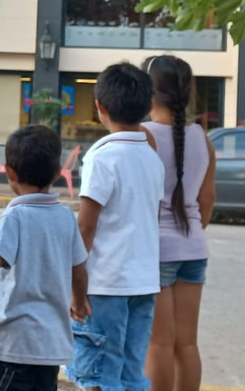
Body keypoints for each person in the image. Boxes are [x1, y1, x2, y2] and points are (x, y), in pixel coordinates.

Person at [0, 125, 89, 391]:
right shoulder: (66, 217)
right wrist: (79, 304)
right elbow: (79, 270)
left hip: (14, 347)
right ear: (58, 173)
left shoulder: (16, 215)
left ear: (9, 173)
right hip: (50, 349)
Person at [67, 62, 165, 391]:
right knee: (131, 375)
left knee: (99, 377)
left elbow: (85, 227)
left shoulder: (102, 157)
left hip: (105, 284)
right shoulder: (152, 158)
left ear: (100, 107)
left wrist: (75, 288)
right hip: (144, 282)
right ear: (148, 107)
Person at [141, 55, 216, 391]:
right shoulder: (202, 137)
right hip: (194, 249)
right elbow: (207, 200)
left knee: (157, 343)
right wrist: (192, 233)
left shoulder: (143, 135)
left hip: (155, 251)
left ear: (149, 90)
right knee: (186, 344)